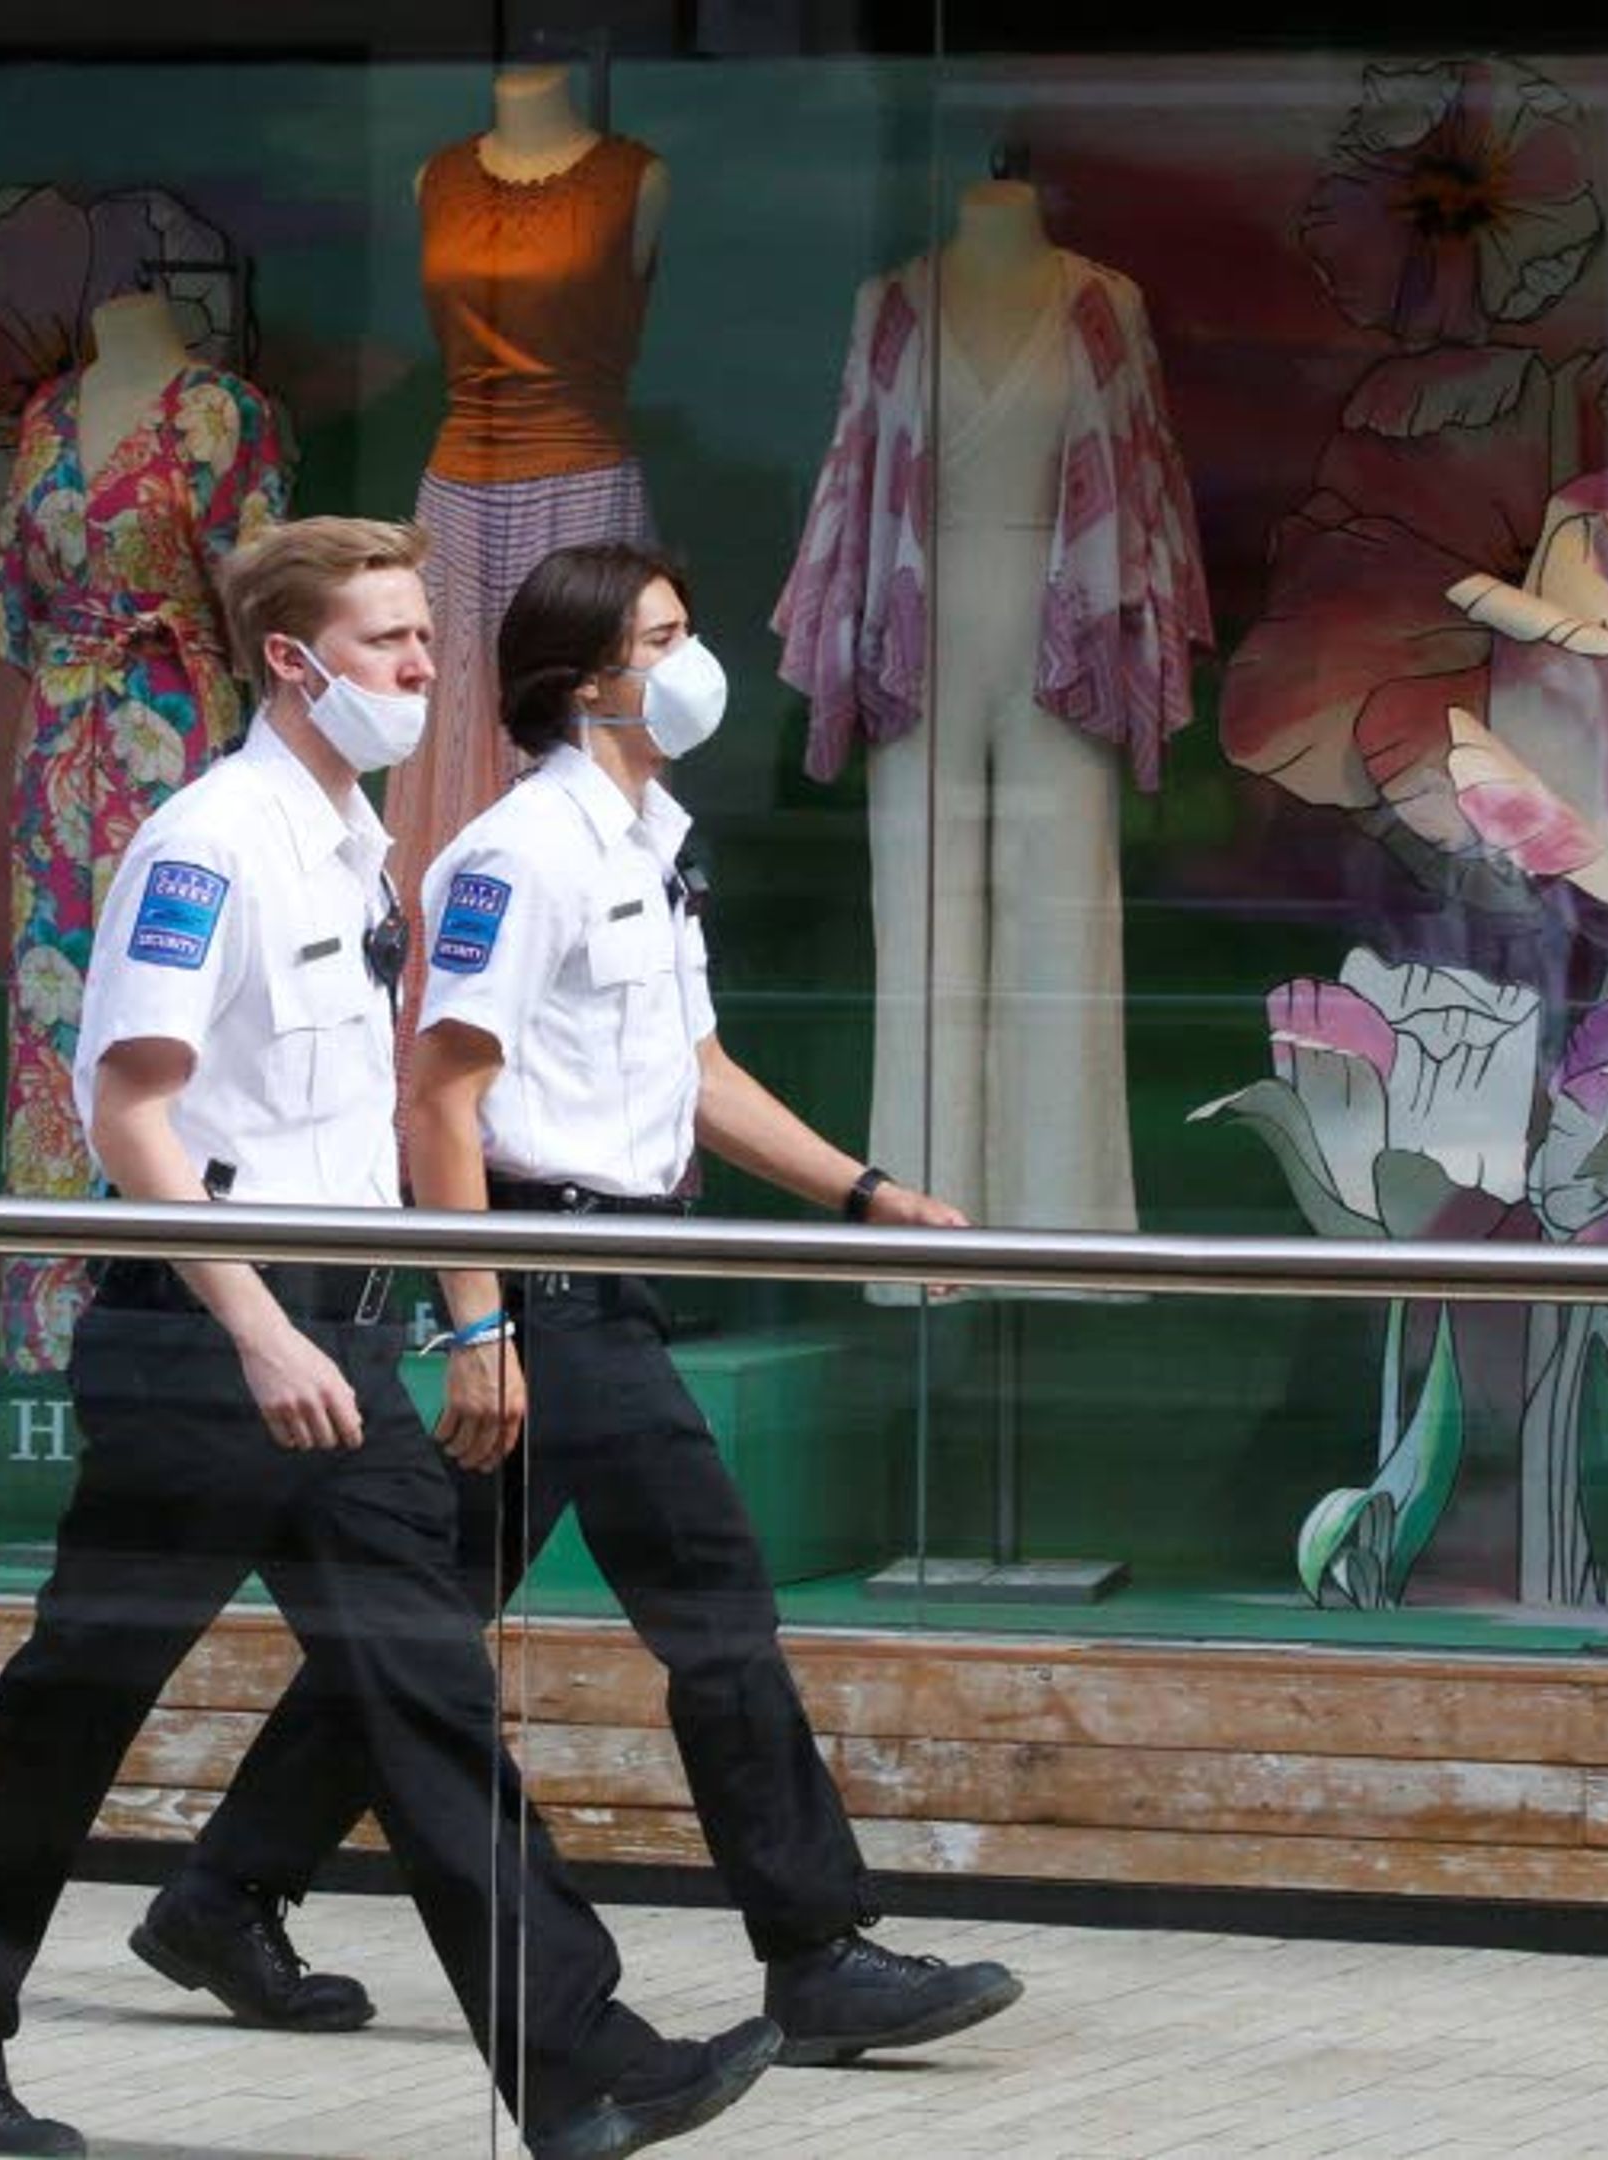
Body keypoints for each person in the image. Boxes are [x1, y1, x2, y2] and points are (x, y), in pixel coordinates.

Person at [0, 518, 777, 2160]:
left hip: (338, 1348)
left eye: (426, 640)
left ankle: (582, 2069)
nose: (424, 672)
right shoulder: (208, 843)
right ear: (292, 661)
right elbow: (126, 1114)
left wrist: (425, 1322)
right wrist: (262, 1330)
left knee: (433, 1701)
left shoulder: (358, 850)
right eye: (387, 644)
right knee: (76, 1703)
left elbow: (369, 1128)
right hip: (209, 1346)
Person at [135, 541, 1027, 2069]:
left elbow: (699, 1074)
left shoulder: (647, 837)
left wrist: (866, 1195)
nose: (693, 664)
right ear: (583, 680)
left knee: (429, 1628)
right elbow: (443, 1101)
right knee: (718, 1608)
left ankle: (224, 1893)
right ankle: (817, 1951)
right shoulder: (519, 853)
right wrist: (480, 1323)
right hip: (546, 1289)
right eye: (662, 638)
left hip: (612, 1274)